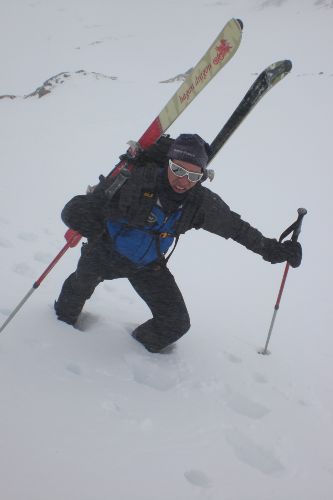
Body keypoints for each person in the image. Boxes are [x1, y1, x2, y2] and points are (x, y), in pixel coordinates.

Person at [55, 134, 302, 353]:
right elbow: (72, 211)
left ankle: (136, 352)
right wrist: (93, 217)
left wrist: (272, 250)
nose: (183, 181)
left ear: (202, 176)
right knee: (75, 294)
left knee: (175, 323)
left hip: (148, 266)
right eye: (178, 170)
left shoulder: (198, 202)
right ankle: (57, 329)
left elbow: (237, 229)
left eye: (193, 175)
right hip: (106, 253)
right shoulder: (136, 182)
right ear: (167, 164)